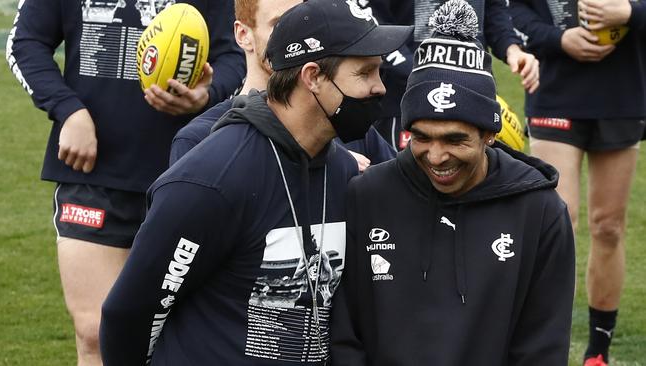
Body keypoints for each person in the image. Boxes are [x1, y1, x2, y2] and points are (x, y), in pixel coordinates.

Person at [99, 1, 412, 364]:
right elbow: (130, 313)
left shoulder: (341, 167)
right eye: (365, 73)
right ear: (313, 77)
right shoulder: (212, 177)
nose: (379, 89)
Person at [330, 1, 575, 364]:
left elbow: (542, 348)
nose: (436, 156)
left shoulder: (540, 213)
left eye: (455, 140)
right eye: (422, 137)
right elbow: (345, 336)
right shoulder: (366, 196)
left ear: (490, 134)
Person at [5, 1, 243, 364]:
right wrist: (69, 111)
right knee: (94, 330)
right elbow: (24, 43)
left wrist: (206, 96)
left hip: (188, 175)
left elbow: (236, 53)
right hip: (92, 174)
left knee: (180, 331)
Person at [508, 0, 646, 364]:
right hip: (555, 94)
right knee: (557, 220)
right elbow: (514, 11)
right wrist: (559, 39)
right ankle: (541, 346)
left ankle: (597, 351)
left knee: (608, 227)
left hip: (622, 97)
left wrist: (630, 14)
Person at [169, 0, 397, 170]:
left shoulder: (346, 120)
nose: (296, 36)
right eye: (280, 25)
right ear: (243, 34)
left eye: (306, 23)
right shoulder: (201, 138)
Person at [351, 0, 540, 151]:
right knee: (410, 191)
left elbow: (493, 9)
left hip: (475, 97)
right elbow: (373, 20)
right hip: (406, 103)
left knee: (475, 190)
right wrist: (424, 73)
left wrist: (512, 48)